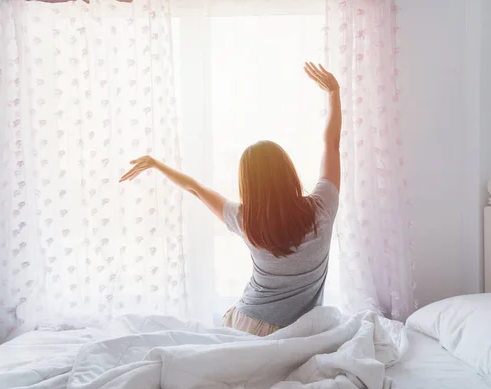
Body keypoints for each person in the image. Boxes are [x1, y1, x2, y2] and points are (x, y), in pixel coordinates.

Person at [120, 62, 341, 336]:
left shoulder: (245, 219)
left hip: (248, 326)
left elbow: (196, 189)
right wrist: (334, 93)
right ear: (289, 172)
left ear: (248, 185)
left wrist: (156, 164)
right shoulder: (323, 207)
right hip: (299, 330)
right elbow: (331, 143)